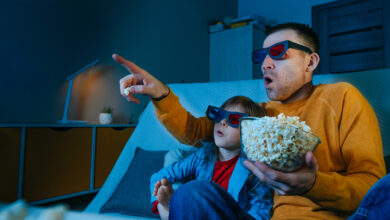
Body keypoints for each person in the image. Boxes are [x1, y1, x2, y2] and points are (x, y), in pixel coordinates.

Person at [114, 22, 386, 219]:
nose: (265, 63)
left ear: (311, 62)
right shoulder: (257, 115)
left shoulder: (342, 97)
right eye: (261, 56)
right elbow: (199, 131)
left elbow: (372, 188)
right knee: (190, 194)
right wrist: (161, 94)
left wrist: (314, 184)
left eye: (278, 52)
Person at [150, 96, 273, 220]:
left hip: (229, 216)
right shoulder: (203, 155)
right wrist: (161, 196)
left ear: (251, 131)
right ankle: (169, 206)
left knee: (192, 189)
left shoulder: (254, 167)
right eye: (219, 115)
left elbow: (260, 211)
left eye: (234, 119)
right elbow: (159, 176)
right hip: (199, 213)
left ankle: (171, 209)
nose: (222, 122)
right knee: (180, 184)